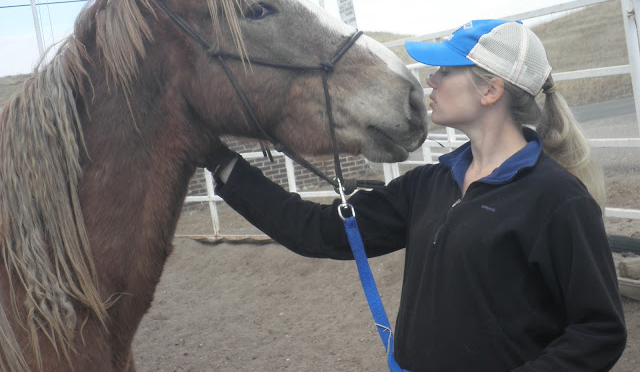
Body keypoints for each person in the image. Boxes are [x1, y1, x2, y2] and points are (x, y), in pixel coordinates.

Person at [205, 19, 627, 371]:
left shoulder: (558, 199)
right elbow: (318, 231)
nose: (431, 80)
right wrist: (221, 162)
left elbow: (599, 331)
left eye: (445, 70)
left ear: (490, 90)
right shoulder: (428, 184)